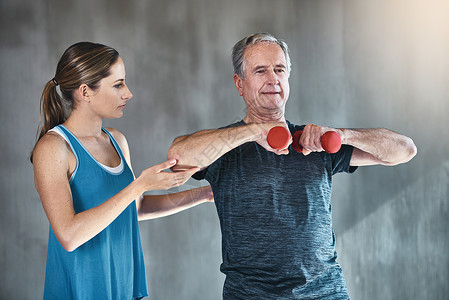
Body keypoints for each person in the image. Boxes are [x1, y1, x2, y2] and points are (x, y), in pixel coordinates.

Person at [167, 33, 417, 299]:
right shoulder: (223, 149)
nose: (272, 79)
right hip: (250, 294)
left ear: (288, 78)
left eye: (279, 69)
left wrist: (343, 134)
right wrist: (253, 132)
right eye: (260, 71)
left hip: (325, 291)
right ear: (239, 83)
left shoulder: (315, 142)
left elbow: (405, 150)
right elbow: (177, 156)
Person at [31, 42, 213, 299]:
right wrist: (139, 185)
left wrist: (205, 194)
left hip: (124, 284)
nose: (128, 93)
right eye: (118, 85)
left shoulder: (117, 140)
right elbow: (69, 235)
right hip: (83, 288)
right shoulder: (53, 148)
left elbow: (134, 209)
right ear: (85, 92)